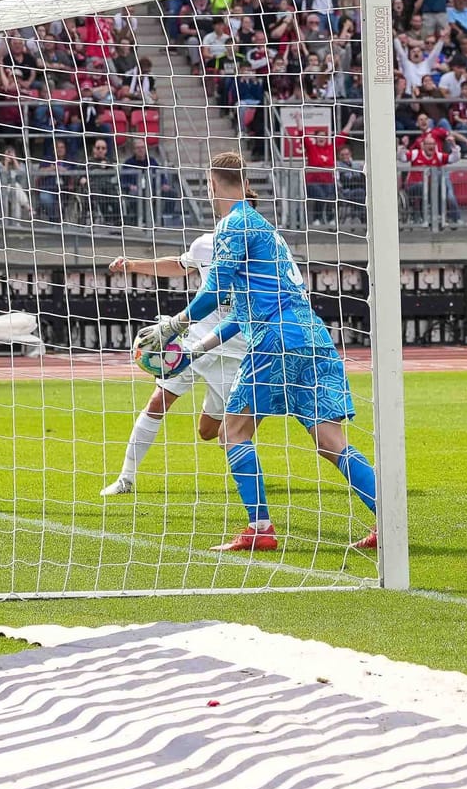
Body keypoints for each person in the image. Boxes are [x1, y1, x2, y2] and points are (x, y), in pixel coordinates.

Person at [143, 152, 376, 553]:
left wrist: (174, 324)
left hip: (274, 339)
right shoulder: (268, 231)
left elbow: (213, 294)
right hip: (311, 336)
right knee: (329, 440)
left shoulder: (231, 226)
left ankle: (260, 528)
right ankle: (389, 518)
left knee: (233, 431)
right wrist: (197, 347)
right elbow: (244, 312)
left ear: (211, 183)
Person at [105, 230, 273, 496]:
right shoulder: (205, 244)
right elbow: (180, 265)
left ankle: (244, 425)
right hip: (196, 341)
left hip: (237, 352)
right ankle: (125, 478)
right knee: (158, 401)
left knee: (209, 433)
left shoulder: (263, 248)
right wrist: (134, 265)